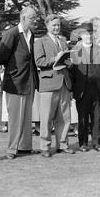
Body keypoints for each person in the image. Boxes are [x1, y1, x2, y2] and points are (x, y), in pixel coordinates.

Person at [0, 7, 39, 160]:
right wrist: (13, 70)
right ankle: (12, 149)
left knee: (27, 116)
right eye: (32, 18)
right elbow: (1, 57)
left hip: (29, 81)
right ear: (23, 18)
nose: (35, 20)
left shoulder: (31, 34)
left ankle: (25, 147)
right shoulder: (11, 33)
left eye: (35, 17)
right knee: (15, 117)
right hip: (15, 81)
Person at [34, 14, 74, 157]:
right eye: (54, 25)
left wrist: (69, 62)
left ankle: (63, 144)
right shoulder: (40, 42)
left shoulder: (63, 42)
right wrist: (54, 59)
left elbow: (66, 60)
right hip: (49, 82)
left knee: (64, 117)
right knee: (46, 117)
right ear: (47, 26)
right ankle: (45, 146)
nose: (57, 27)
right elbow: (39, 61)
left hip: (64, 82)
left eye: (58, 25)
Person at [70, 22, 100, 152]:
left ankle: (96, 142)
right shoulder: (75, 51)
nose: (89, 36)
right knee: (82, 118)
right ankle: (82, 143)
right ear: (81, 35)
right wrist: (71, 89)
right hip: (81, 89)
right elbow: (71, 71)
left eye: (91, 34)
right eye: (86, 34)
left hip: (97, 88)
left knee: (97, 117)